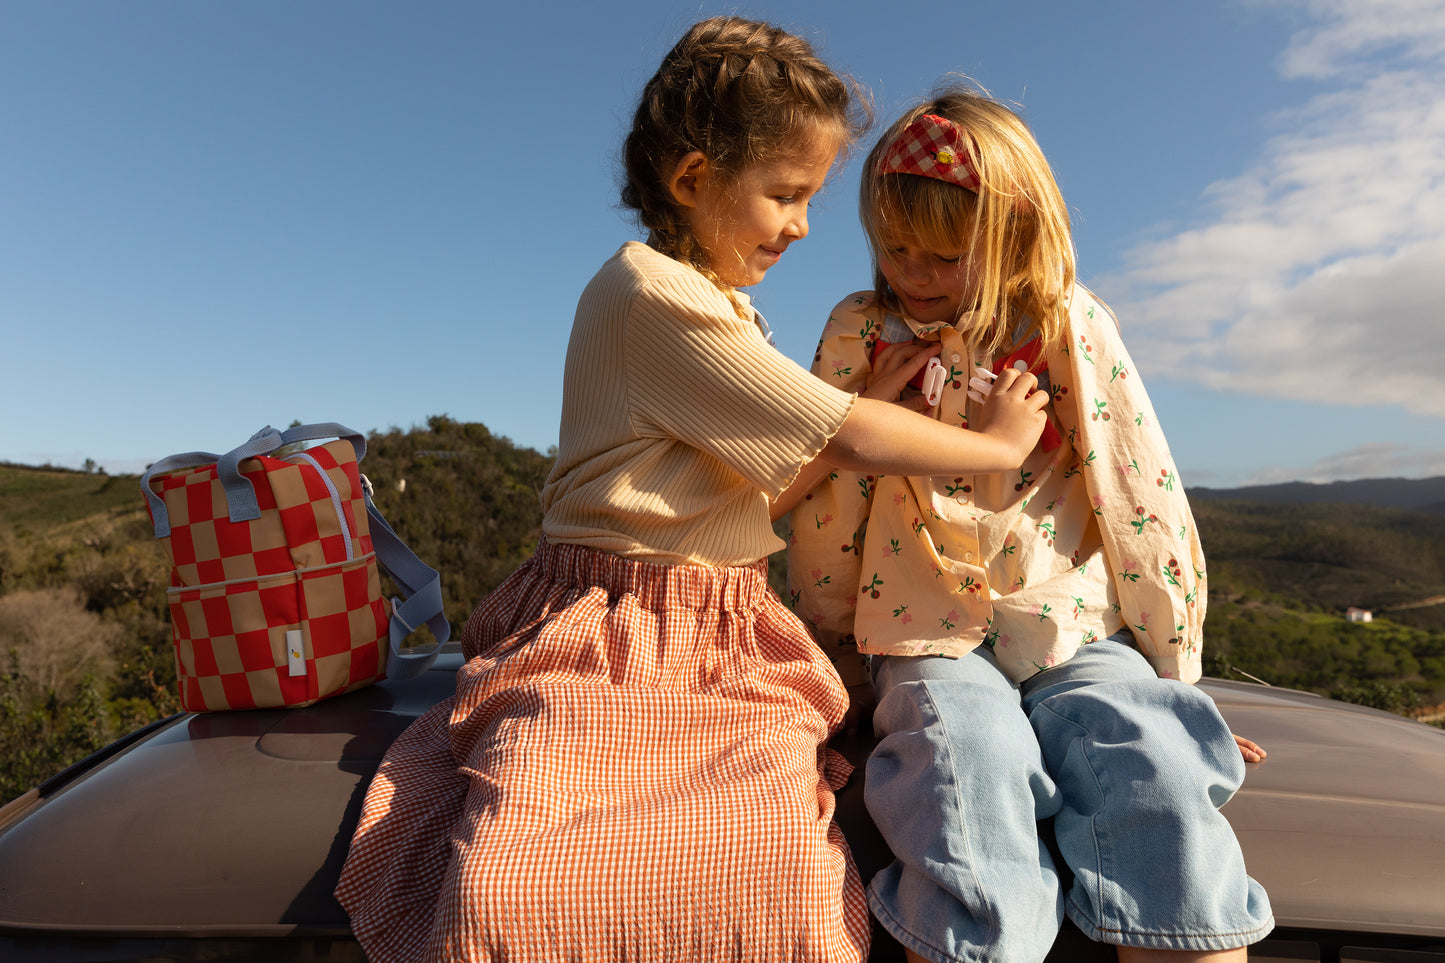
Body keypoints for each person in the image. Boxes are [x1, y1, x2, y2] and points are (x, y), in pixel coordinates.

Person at [334, 25, 1048, 963]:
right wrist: (988, 441)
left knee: (769, 861)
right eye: (786, 195)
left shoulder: (708, 305)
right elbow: (838, 434)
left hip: (714, 624)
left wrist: (858, 402)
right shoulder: (651, 296)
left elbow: (773, 491)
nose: (800, 226)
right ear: (692, 179)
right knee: (529, 859)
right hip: (613, 626)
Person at [787, 84, 1275, 963]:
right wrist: (835, 652)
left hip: (1072, 615)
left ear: (1015, 238)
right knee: (957, 760)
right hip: (922, 622)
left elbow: (1136, 489)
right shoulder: (863, 332)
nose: (911, 272)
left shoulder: (1066, 326)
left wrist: (1172, 671)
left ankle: (1184, 942)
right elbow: (830, 492)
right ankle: (982, 945)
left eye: (942, 253)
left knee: (1152, 756)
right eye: (893, 247)